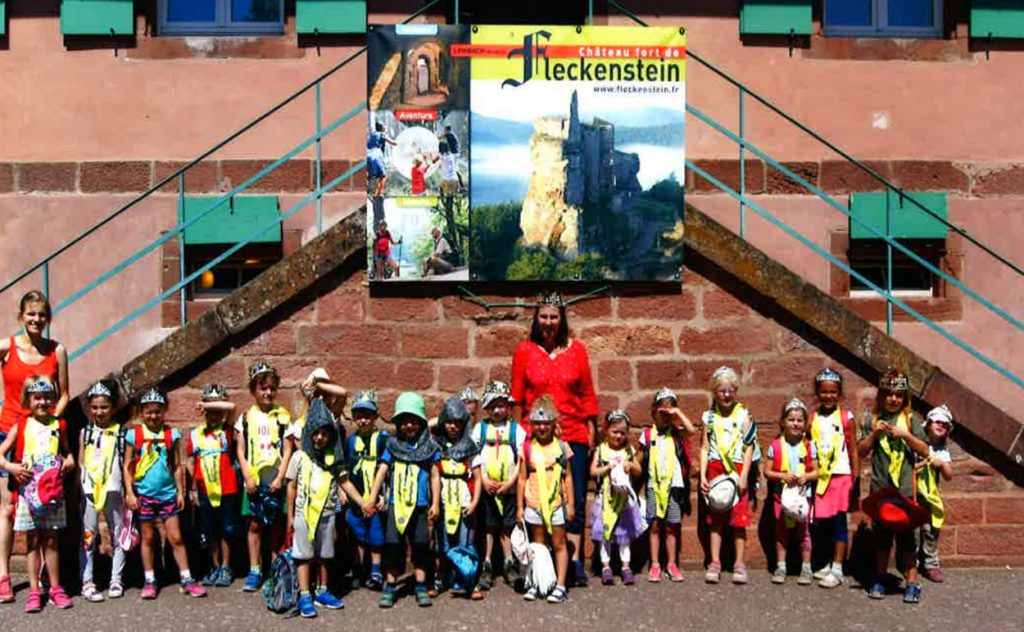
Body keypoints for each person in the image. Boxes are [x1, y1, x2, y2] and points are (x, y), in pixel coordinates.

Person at [511, 290, 598, 586]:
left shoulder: (577, 350)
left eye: (554, 316)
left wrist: (591, 430)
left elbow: (586, 393)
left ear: (562, 319)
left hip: (572, 434)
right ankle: (541, 565)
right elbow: (518, 397)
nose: (549, 322)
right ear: (536, 318)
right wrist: (518, 437)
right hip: (535, 437)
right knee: (535, 499)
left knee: (570, 499)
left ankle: (573, 562)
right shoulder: (524, 350)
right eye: (544, 316)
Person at [0, 291, 69, 603]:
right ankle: (3, 576)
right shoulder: (6, 347)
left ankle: (48, 584)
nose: (36, 320)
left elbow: (64, 394)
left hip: (42, 437)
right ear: (21, 316)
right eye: (31, 314)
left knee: (44, 513)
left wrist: (49, 422)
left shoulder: (58, 350)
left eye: (42, 314)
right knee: (9, 509)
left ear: (48, 317)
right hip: (8, 432)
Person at [0, 376, 74, 612]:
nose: (42, 402)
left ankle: (54, 587)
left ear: (53, 399)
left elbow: (67, 452)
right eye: (37, 398)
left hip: (52, 492)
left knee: (51, 541)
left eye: (47, 397)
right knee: (32, 542)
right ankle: (34, 590)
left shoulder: (58, 424)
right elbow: (1, 454)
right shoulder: (21, 425)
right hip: (28, 494)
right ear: (28, 400)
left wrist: (69, 461)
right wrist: (11, 467)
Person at [123, 388, 206, 599]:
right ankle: (150, 580)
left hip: (167, 493)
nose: (153, 416)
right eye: (149, 412)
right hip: (144, 495)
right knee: (148, 538)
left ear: (164, 411)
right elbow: (127, 466)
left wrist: (181, 492)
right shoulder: (134, 435)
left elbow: (177, 466)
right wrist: (130, 493)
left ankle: (187, 578)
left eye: (158, 411)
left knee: (176, 537)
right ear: (142, 412)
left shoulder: (171, 435)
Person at [857, 368, 930, 603]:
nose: (893, 399)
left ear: (904, 397)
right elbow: (860, 451)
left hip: (905, 493)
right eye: (889, 394)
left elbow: (925, 450)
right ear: (881, 396)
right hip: (881, 491)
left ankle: (912, 582)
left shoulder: (911, 421)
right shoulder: (872, 421)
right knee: (882, 540)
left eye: (899, 395)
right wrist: (872, 436)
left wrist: (907, 436)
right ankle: (879, 578)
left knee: (909, 541)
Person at [286, 399, 361, 617]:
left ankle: (322, 589)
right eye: (315, 433)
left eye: (324, 434)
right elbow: (291, 487)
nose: (319, 438)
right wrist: (290, 516)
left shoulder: (333, 460)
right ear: (309, 433)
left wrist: (363, 501)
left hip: (327, 514)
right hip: (303, 514)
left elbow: (345, 482)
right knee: (304, 555)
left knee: (325, 554)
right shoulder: (299, 457)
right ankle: (304, 594)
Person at [366, 392, 441, 609]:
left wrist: (435, 503)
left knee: (420, 546)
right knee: (392, 546)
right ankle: (390, 586)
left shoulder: (429, 448)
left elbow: (435, 475)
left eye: (413, 421)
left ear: (420, 422)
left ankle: (419, 585)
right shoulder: (392, 445)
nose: (409, 426)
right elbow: (381, 471)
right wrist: (372, 497)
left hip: (419, 507)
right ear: (398, 423)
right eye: (405, 421)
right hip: (395, 507)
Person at [235, 362, 296, 592]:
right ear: (254, 390)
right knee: (254, 525)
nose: (268, 393)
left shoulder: (283, 417)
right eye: (263, 388)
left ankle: (274, 569)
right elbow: (240, 450)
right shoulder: (246, 418)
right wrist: (248, 478)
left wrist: (281, 477)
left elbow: (288, 449)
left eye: (272, 388)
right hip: (254, 482)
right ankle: (254, 569)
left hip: (274, 481)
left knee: (276, 527)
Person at [699, 365, 757, 585]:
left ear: (736, 390)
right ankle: (714, 562)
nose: (726, 394)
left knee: (739, 521)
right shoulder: (709, 417)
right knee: (716, 519)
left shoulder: (743, 414)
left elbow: (749, 446)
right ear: (715, 392)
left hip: (736, 469)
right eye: (722, 390)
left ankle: (739, 563)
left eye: (730, 390)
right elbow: (704, 447)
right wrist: (703, 475)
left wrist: (744, 476)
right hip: (716, 469)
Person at [517, 395, 574, 604]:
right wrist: (519, 507)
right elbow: (522, 478)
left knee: (559, 543)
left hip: (556, 503)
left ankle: (560, 584)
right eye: (538, 423)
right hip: (533, 502)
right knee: (537, 546)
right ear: (532, 425)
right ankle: (536, 582)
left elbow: (567, 477)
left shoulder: (561, 446)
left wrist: (572, 505)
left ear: (553, 424)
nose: (542, 427)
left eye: (546, 423)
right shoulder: (527, 447)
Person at [807, 368, 859, 588]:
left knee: (839, 522)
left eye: (833, 392)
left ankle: (838, 567)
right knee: (824, 523)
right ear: (818, 393)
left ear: (839, 393)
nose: (828, 396)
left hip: (841, 476)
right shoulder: (813, 418)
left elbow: (854, 449)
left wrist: (855, 479)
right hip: (822, 478)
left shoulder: (847, 418)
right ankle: (828, 562)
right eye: (824, 392)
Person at [638, 387, 696, 583]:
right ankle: (655, 564)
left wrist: (677, 413)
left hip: (673, 486)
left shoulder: (676, 433)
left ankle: (672, 563)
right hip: (654, 485)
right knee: (654, 524)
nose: (665, 417)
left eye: (668, 412)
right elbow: (638, 461)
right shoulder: (647, 435)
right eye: (661, 412)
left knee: (672, 526)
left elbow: (692, 430)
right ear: (653, 412)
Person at [79, 380, 128, 602]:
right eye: (95, 407)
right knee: (89, 538)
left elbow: (126, 465)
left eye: (104, 407)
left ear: (113, 408)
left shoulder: (121, 433)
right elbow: (81, 461)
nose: (99, 412)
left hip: (113, 491)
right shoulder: (85, 432)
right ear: (89, 408)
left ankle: (116, 579)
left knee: (118, 535)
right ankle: (87, 581)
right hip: (89, 491)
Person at [186, 384, 240, 588]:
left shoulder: (225, 431)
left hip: (226, 488)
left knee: (226, 529)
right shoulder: (195, 434)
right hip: (205, 489)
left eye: (217, 411)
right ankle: (215, 565)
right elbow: (191, 461)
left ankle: (226, 566)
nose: (214, 415)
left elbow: (232, 407)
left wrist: (211, 404)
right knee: (210, 531)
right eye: (210, 411)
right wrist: (192, 489)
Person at [473, 379, 524, 592]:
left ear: (508, 407)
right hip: (487, 489)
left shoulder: (516, 430)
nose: (497, 410)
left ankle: (508, 563)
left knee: (507, 527)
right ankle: (487, 564)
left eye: (501, 405)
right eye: (493, 406)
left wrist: (510, 482)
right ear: (486, 407)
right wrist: (483, 480)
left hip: (508, 489)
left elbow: (520, 459)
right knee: (489, 528)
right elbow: (473, 456)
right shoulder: (480, 429)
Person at [764, 398, 819, 586]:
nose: (795, 424)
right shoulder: (776, 445)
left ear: (805, 423)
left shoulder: (810, 446)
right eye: (791, 420)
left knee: (804, 533)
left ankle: (806, 567)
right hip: (782, 497)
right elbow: (767, 471)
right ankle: (781, 566)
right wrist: (782, 475)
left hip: (803, 498)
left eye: (799, 420)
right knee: (782, 532)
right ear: (783, 422)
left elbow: (818, 471)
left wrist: (807, 477)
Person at [432, 397, 482, 599]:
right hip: (443, 500)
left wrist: (474, 502)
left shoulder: (470, 447)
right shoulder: (437, 446)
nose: (453, 427)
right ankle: (439, 578)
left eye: (458, 422)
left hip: (463, 500)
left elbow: (478, 478)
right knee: (441, 543)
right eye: (449, 421)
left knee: (465, 543)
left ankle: (469, 582)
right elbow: (434, 475)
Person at [589, 409, 645, 586]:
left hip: (624, 500)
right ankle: (606, 567)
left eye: (622, 432)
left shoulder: (628, 450)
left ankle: (625, 566)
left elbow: (638, 471)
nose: (618, 436)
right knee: (606, 534)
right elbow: (592, 471)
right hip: (606, 499)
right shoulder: (601, 450)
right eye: (615, 432)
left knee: (624, 535)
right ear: (607, 430)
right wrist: (606, 468)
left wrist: (630, 465)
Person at [345, 389, 387, 591]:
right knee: (359, 534)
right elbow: (344, 470)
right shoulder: (351, 441)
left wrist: (384, 495)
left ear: (375, 416)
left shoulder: (382, 439)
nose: (363, 421)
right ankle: (360, 569)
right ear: (353, 418)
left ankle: (376, 570)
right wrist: (344, 492)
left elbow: (388, 469)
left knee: (376, 534)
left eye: (367, 416)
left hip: (375, 497)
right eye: (359, 417)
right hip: (356, 497)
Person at [916, 405, 955, 584]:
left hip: (931, 498)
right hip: (915, 494)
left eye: (945, 425)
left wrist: (941, 464)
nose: (941, 426)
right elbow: (909, 468)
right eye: (937, 422)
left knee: (931, 531)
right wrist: (923, 464)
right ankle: (912, 564)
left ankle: (931, 564)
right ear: (928, 424)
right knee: (914, 532)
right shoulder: (918, 444)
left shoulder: (941, 449)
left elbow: (948, 476)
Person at [367, 121, 397, 197]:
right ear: (382, 127)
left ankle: (369, 193)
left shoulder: (372, 134)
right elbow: (394, 143)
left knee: (370, 176)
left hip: (368, 155)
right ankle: (378, 193)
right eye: (385, 125)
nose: (386, 127)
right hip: (376, 155)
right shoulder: (382, 134)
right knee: (383, 176)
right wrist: (403, 142)